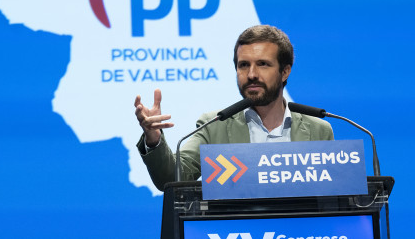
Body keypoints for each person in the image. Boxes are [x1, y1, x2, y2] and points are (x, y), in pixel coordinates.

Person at [134, 25, 333, 191]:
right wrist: (154, 138)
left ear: (285, 71)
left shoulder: (318, 131)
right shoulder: (215, 126)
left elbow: (331, 197)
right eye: (244, 65)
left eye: (263, 64)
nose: (252, 74)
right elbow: (172, 178)